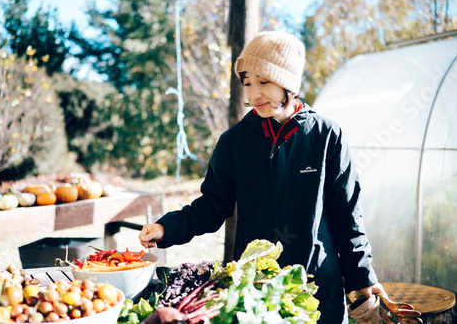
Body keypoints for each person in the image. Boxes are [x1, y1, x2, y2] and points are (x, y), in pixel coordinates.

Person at [139, 31, 385, 323]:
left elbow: (347, 215)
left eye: (264, 82)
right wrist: (167, 228)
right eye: (247, 83)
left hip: (319, 287)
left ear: (288, 84)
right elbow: (213, 204)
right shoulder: (234, 142)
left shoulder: (326, 136)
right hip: (255, 291)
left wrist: (362, 276)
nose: (254, 94)